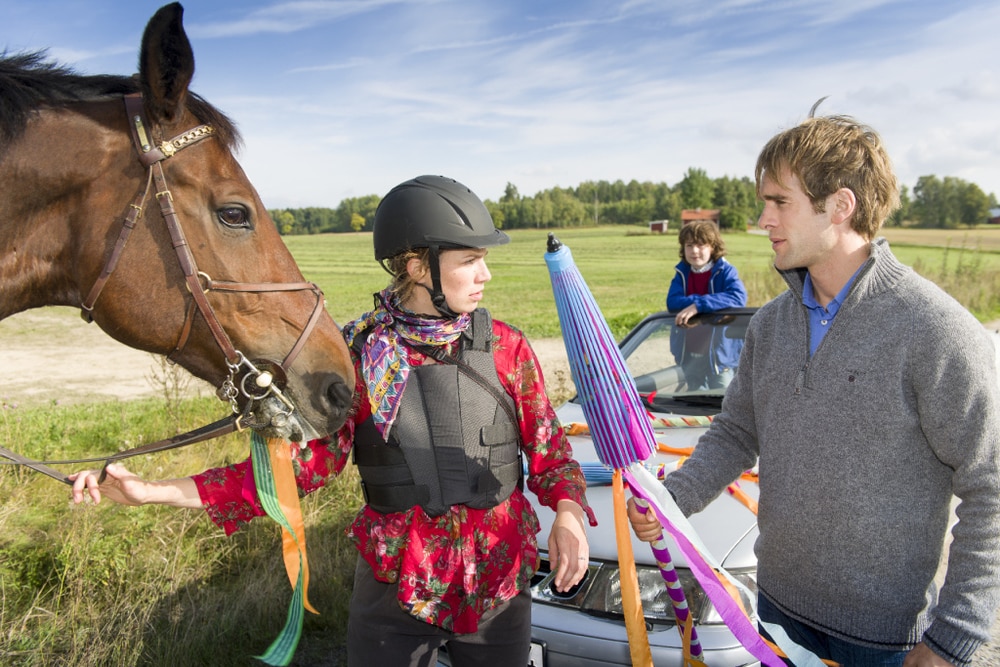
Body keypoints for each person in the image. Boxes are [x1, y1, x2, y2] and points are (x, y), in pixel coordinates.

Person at [71, 175, 596, 667]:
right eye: (470, 259)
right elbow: (297, 473)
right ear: (417, 266)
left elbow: (550, 454)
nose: (485, 274)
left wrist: (569, 514)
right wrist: (155, 491)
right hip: (397, 589)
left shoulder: (507, 348)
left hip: (499, 586)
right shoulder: (356, 357)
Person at [629, 115, 1000, 667]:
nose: (762, 220)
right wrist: (673, 500)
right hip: (774, 621)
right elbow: (736, 433)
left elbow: (991, 486)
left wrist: (952, 639)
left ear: (840, 205)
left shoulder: (937, 332)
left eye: (780, 203)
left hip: (881, 644)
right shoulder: (769, 325)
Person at [666, 220, 747, 390]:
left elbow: (738, 297)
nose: (694, 251)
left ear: (712, 247)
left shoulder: (726, 271)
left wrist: (699, 306)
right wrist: (711, 302)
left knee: (723, 400)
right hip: (689, 352)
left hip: (720, 355)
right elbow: (672, 302)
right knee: (694, 399)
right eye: (689, 245)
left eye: (701, 245)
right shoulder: (682, 273)